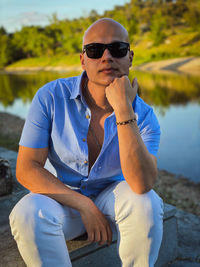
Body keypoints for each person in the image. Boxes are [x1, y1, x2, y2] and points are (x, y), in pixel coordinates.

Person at [9, 18, 163, 267]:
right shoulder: (50, 97)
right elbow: (26, 169)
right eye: (94, 50)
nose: (106, 57)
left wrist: (124, 110)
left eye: (117, 49)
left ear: (130, 57)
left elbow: (142, 183)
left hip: (113, 203)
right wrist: (85, 206)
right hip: (62, 202)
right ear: (83, 60)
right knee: (27, 213)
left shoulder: (144, 116)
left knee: (146, 202)